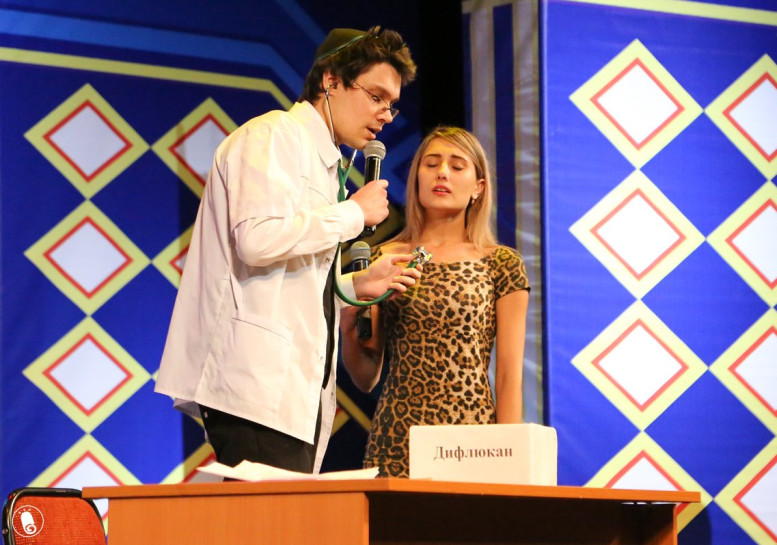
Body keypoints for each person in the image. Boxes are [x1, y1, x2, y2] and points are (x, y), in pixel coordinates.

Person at [155, 26, 419, 474]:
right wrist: (353, 214)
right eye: (376, 96)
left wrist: (356, 285)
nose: (386, 114)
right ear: (331, 81)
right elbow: (257, 239)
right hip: (254, 384)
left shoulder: (323, 162)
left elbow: (291, 279)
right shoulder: (273, 135)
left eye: (391, 104)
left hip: (292, 394)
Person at [340, 126, 530, 477]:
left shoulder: (501, 263)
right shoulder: (385, 259)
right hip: (398, 439)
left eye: (457, 166)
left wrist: (511, 464)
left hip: (473, 442)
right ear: (416, 178)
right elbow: (366, 378)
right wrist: (349, 326)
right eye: (431, 164)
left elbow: (508, 377)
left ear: (479, 187)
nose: (442, 172)